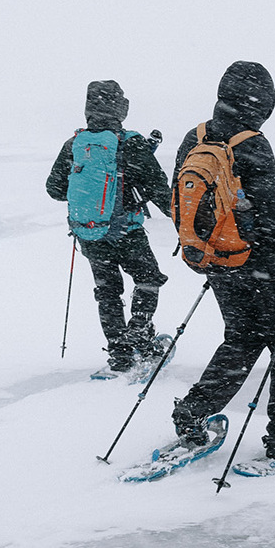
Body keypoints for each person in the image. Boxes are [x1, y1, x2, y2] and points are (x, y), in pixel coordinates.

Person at [165, 61, 275, 465]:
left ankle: (192, 413)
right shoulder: (252, 143)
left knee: (241, 339)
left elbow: (178, 202)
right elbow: (270, 218)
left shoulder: (196, 136)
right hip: (264, 268)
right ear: (264, 102)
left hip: (219, 261)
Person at [45, 80, 172, 376]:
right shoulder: (132, 143)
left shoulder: (74, 144)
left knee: (107, 289)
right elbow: (160, 191)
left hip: (90, 231)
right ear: (120, 108)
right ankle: (139, 333)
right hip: (126, 231)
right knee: (148, 278)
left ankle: (119, 352)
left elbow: (53, 188)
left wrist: (88, 194)